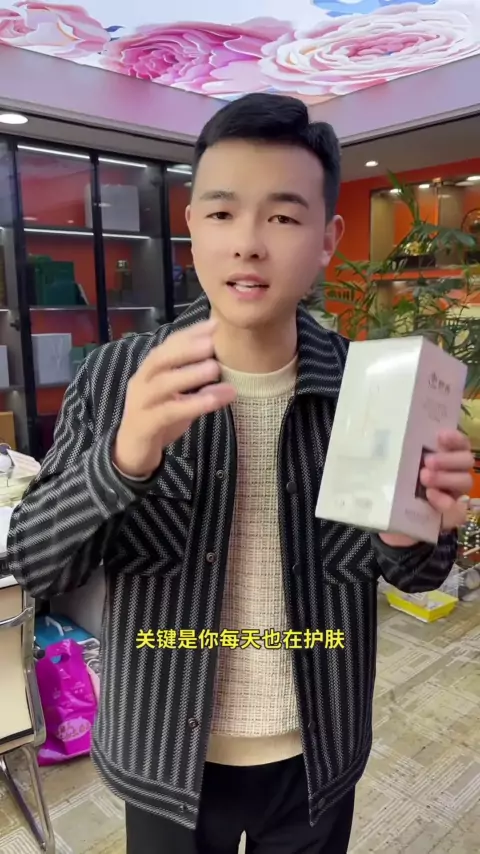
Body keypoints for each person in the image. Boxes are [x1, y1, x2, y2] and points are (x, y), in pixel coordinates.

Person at [8, 93, 473, 854]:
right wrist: (124, 459)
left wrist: (410, 528)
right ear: (192, 224)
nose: (249, 244)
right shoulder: (120, 377)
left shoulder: (370, 387)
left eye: (283, 217)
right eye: (223, 213)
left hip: (318, 755)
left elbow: (416, 574)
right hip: (164, 758)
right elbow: (32, 561)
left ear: (327, 240)